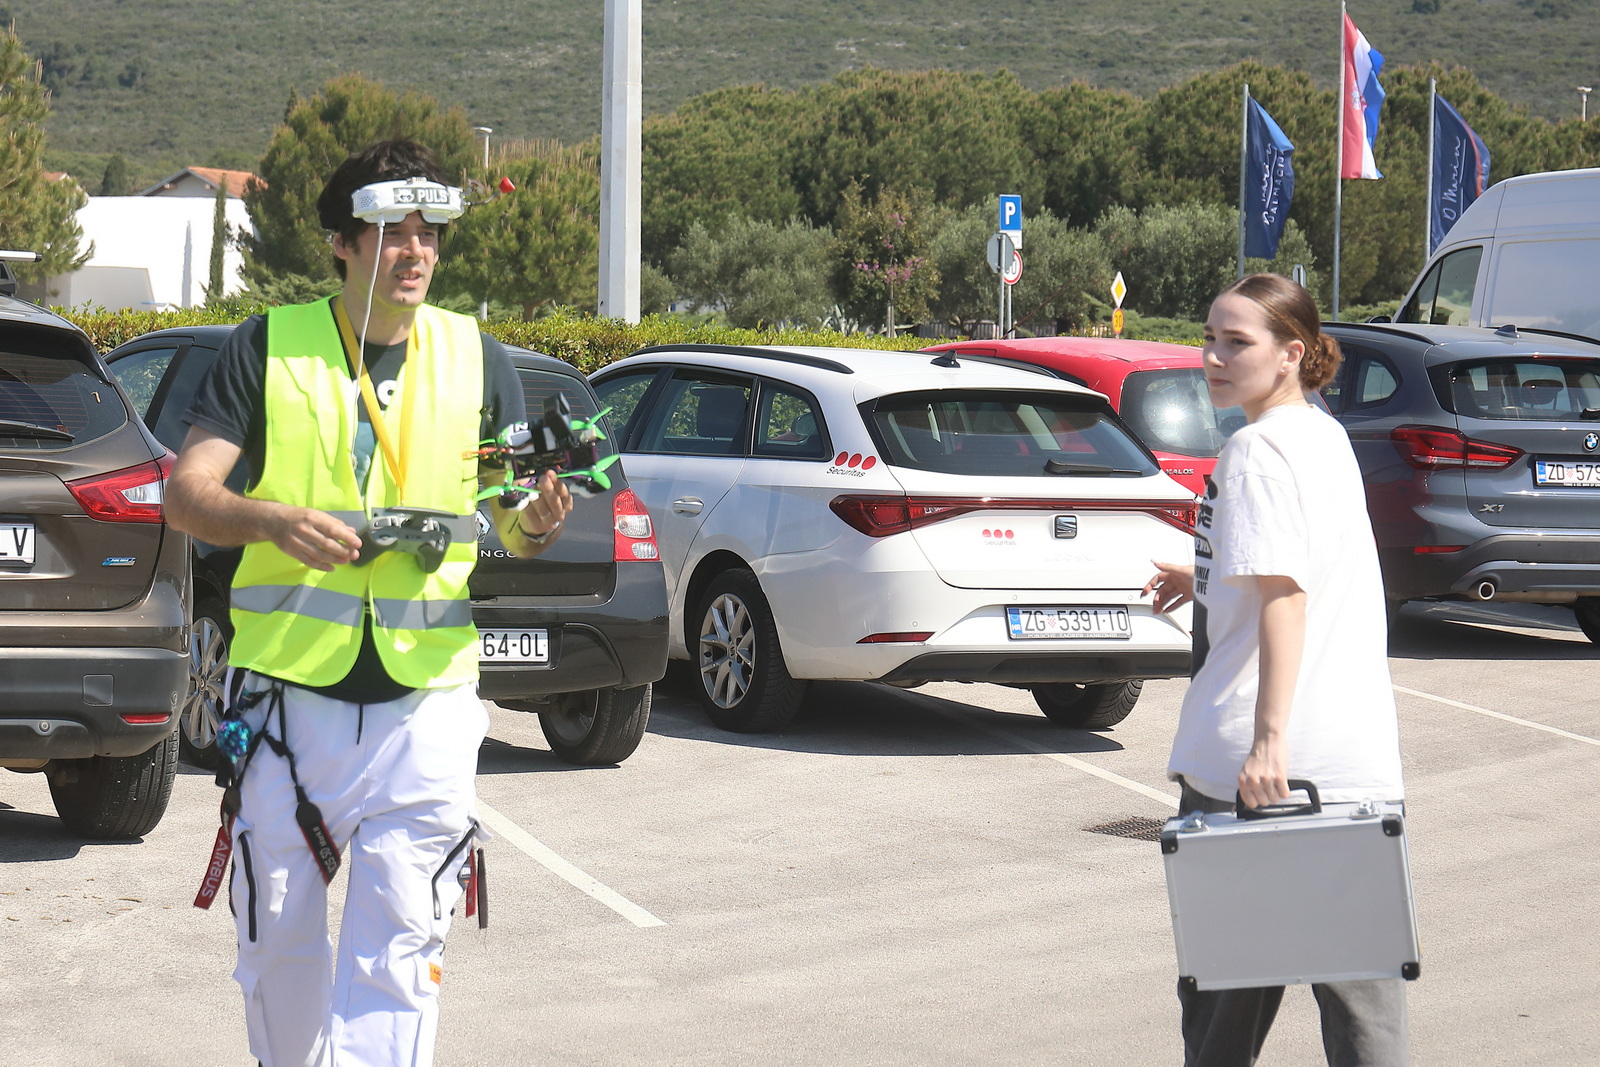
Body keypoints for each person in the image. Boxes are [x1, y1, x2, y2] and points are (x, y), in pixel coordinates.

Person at [167, 139, 573, 1067]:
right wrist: (265, 518)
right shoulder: (265, 348)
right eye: (393, 232)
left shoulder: (476, 356)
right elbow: (187, 493)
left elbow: (514, 521)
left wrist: (540, 518)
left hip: (426, 706)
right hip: (286, 706)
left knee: (401, 952)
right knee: (279, 954)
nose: (416, 252)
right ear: (342, 245)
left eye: (429, 233)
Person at [1142, 274, 1408, 1067]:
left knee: (1222, 1024)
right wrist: (1206, 577)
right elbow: (1297, 566)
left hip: (1249, 778)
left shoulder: (1254, 449)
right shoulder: (1321, 432)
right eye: (1210, 336)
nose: (1214, 357)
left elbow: (1287, 596)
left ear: (1292, 353)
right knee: (1367, 1024)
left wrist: (1268, 744)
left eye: (1237, 341)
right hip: (1357, 773)